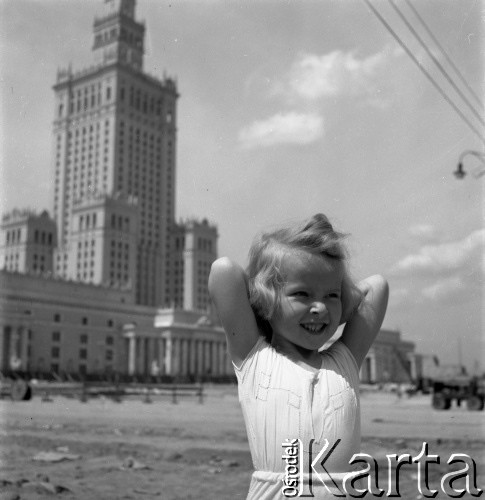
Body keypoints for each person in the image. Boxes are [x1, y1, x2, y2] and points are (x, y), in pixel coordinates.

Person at [208, 213, 389, 499]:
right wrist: (263, 303)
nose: (319, 307)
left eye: (332, 295)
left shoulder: (344, 361)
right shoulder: (255, 359)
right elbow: (223, 271)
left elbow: (377, 287)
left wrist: (334, 301)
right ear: (267, 298)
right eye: (302, 294)